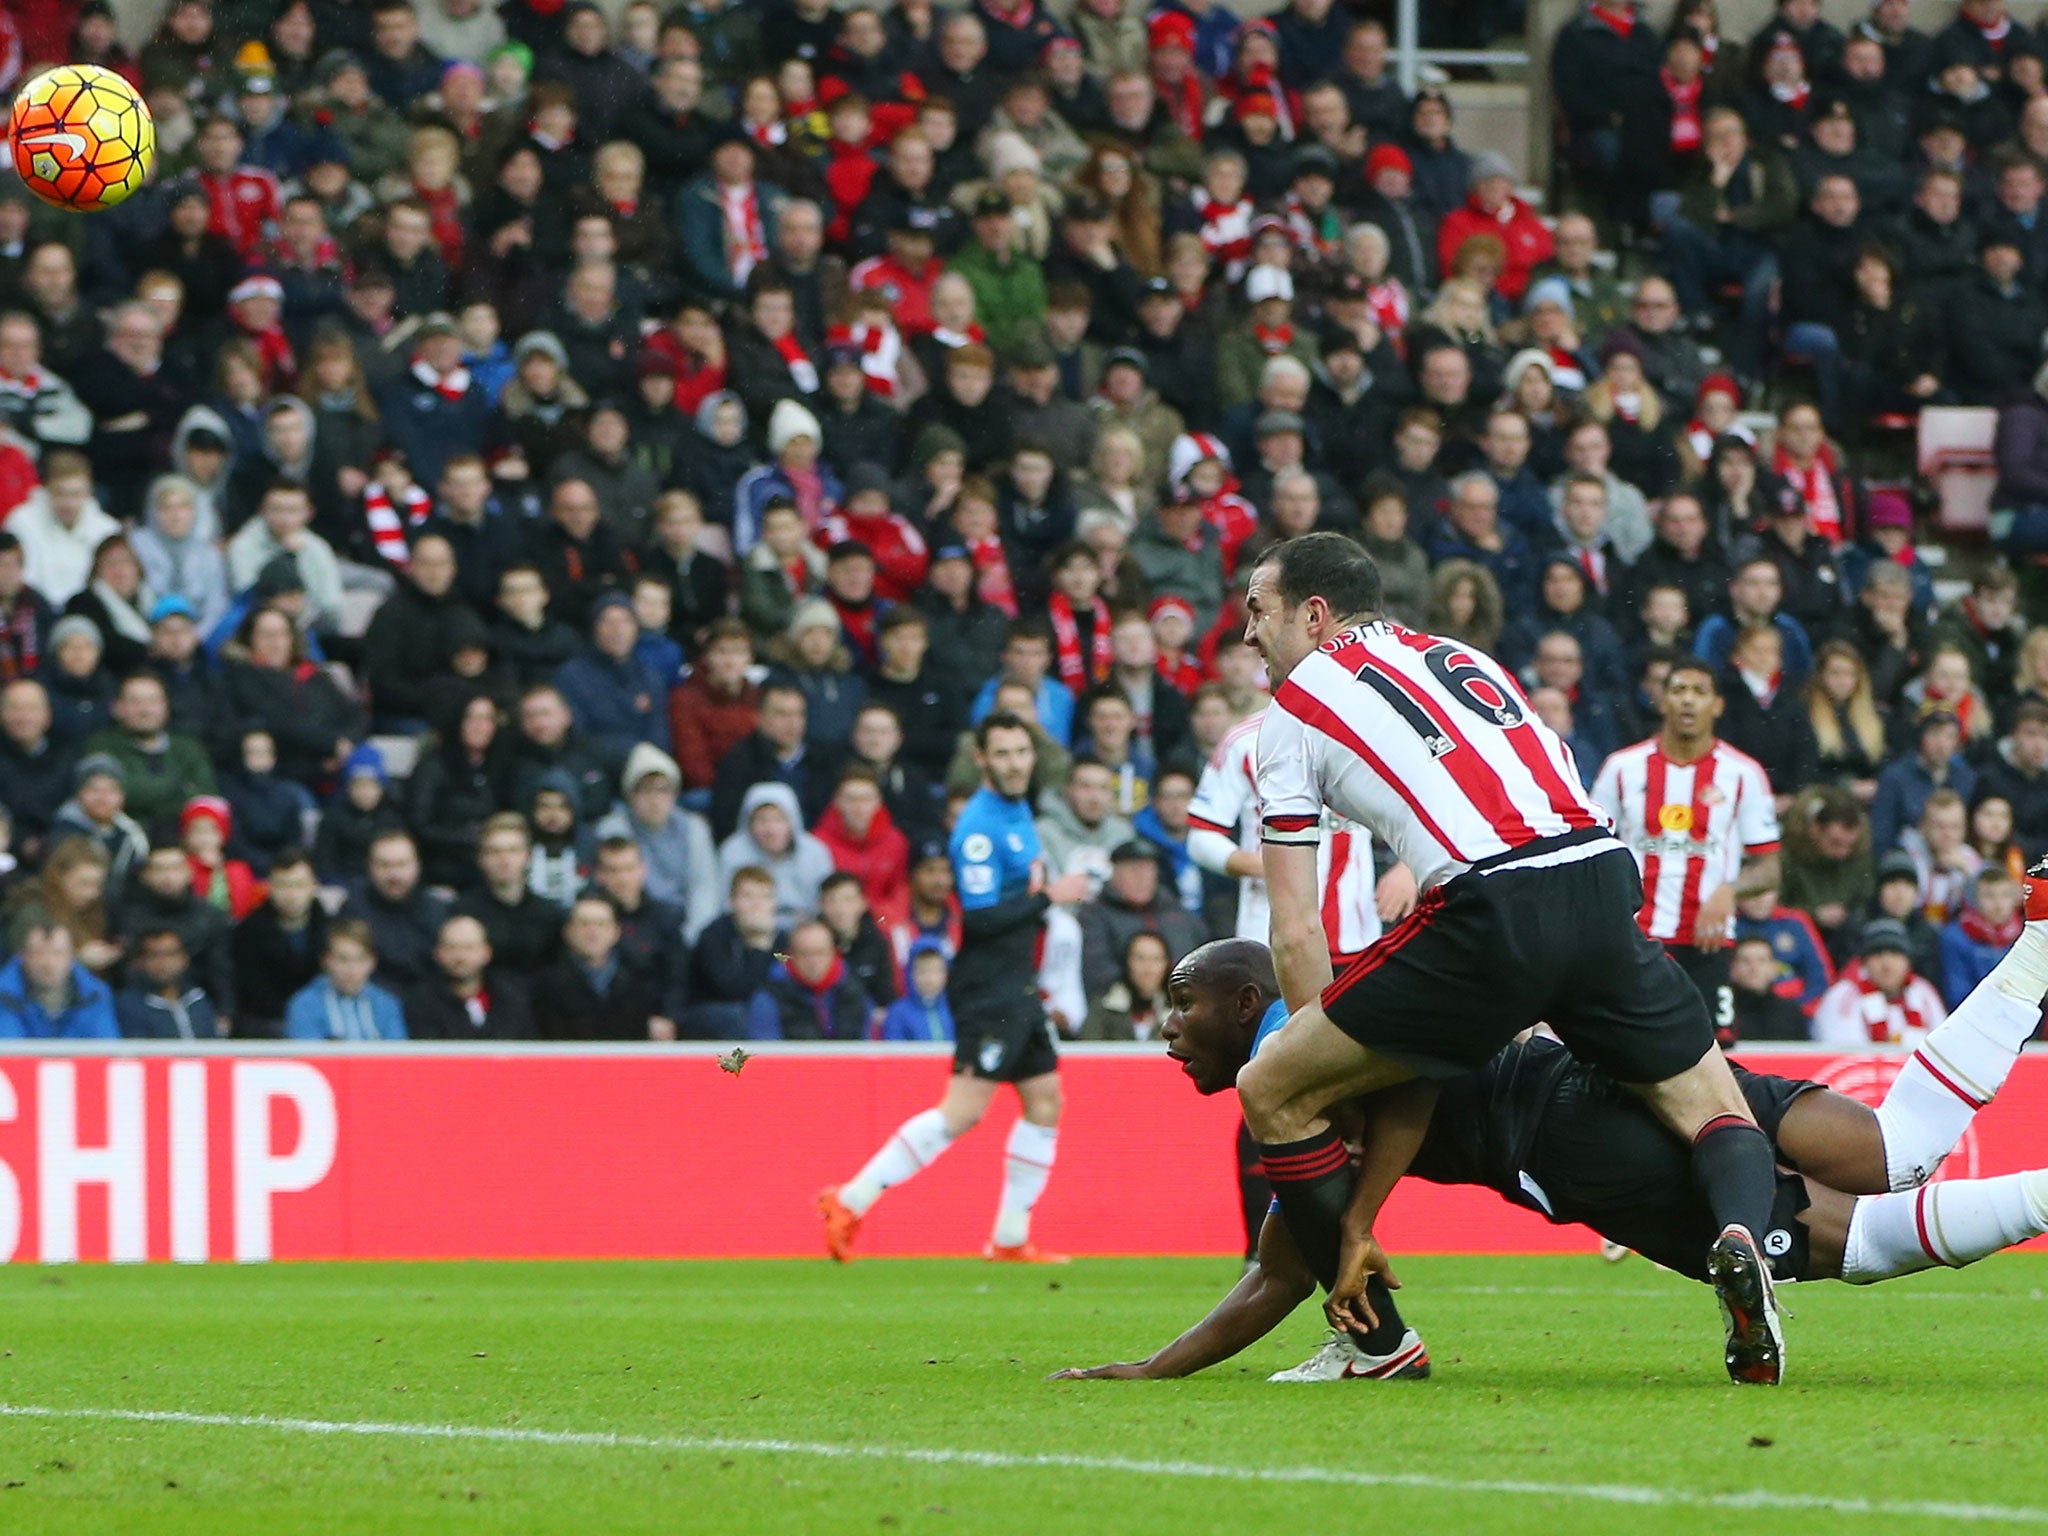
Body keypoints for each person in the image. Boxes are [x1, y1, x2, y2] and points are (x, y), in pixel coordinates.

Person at [1239, 533, 1788, 1386]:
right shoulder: (1464, 655)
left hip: (1485, 907)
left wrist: (1325, 1086)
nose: (1246, 635)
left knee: (1268, 1086)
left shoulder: (1293, 709)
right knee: (1714, 1106)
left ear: (1314, 615)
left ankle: (1373, 1343)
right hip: (1601, 877)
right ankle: (1742, 1239)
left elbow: (1297, 931)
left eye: (1257, 611)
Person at [1051, 926, 2048, 1381]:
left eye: (1178, 1006)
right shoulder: (1339, 989)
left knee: (1850, 1243)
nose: (1168, 1031)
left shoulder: (1287, 1061)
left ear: (1238, 1004)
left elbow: (1281, 1266)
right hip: (1618, 1059)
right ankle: (2034, 946)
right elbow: (1279, 1262)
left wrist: (1150, 1369)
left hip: (1561, 1136)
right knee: (1897, 1146)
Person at [819, 712, 1091, 1264]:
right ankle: (849, 1199)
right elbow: (981, 917)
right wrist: (1049, 897)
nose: (1016, 763)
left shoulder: (1017, 812)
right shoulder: (978, 829)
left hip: (1017, 986)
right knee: (962, 1112)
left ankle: (1011, 1237)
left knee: (1044, 1100)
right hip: (988, 989)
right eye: (1004, 754)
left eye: (1022, 752)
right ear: (983, 760)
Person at [1593, 661, 1782, 1046]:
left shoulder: (1744, 773)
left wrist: (1729, 891)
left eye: (1699, 692)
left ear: (1717, 705)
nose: (1688, 701)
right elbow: (1592, 847)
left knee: (1713, 1048)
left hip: (1707, 942)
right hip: (1636, 935)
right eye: (1679, 690)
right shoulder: (1622, 768)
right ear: (1662, 701)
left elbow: (1769, 869)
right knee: (1628, 1042)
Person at [528, 894, 667, 1041]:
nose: (593, 933)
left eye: (601, 924)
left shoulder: (640, 984)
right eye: (584, 924)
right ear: (567, 931)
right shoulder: (544, 986)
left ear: (616, 932)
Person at [451, 813, 565, 977]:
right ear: (481, 859)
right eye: (495, 851)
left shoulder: (550, 914)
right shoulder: (463, 911)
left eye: (513, 850)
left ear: (527, 857)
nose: (505, 860)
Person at [230, 848, 328, 1038]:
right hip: (265, 1029)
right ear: (269, 887)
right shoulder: (247, 933)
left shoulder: (331, 930)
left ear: (314, 886)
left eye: (299, 885)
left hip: (319, 1025)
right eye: (283, 885)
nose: (291, 894)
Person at [1811, 917, 1949, 1045]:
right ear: (1864, 962)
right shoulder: (1842, 996)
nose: (1887, 965)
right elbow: (1843, 1050)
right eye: (1878, 955)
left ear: (1908, 961)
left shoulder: (1924, 992)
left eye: (1894, 955)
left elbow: (1942, 1044)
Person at [402, 913, 537, 1041]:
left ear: (487, 953)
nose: (460, 957)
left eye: (469, 948)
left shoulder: (512, 1000)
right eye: (451, 948)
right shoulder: (421, 1002)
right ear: (438, 954)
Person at [746, 916, 871, 1040]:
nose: (813, 962)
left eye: (820, 953)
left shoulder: (854, 990)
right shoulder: (768, 999)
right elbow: (768, 1054)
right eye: (805, 954)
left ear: (834, 953)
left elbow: (865, 1047)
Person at [283, 920, 409, 1041]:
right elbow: (307, 1057)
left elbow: (398, 1056)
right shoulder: (304, 1005)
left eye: (359, 959)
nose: (351, 969)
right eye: (343, 959)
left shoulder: (387, 1004)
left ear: (372, 962)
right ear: (327, 961)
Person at [0, 915, 117, 1039]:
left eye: (58, 953)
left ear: (72, 957)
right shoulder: (4, 996)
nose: (48, 963)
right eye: (38, 953)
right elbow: (9, 1051)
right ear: (22, 956)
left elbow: (106, 1050)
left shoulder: (95, 995)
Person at [115, 926, 221, 1040]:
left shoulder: (197, 998)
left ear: (184, 959)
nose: (162, 963)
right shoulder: (129, 1005)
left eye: (170, 954)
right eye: (153, 955)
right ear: (140, 961)